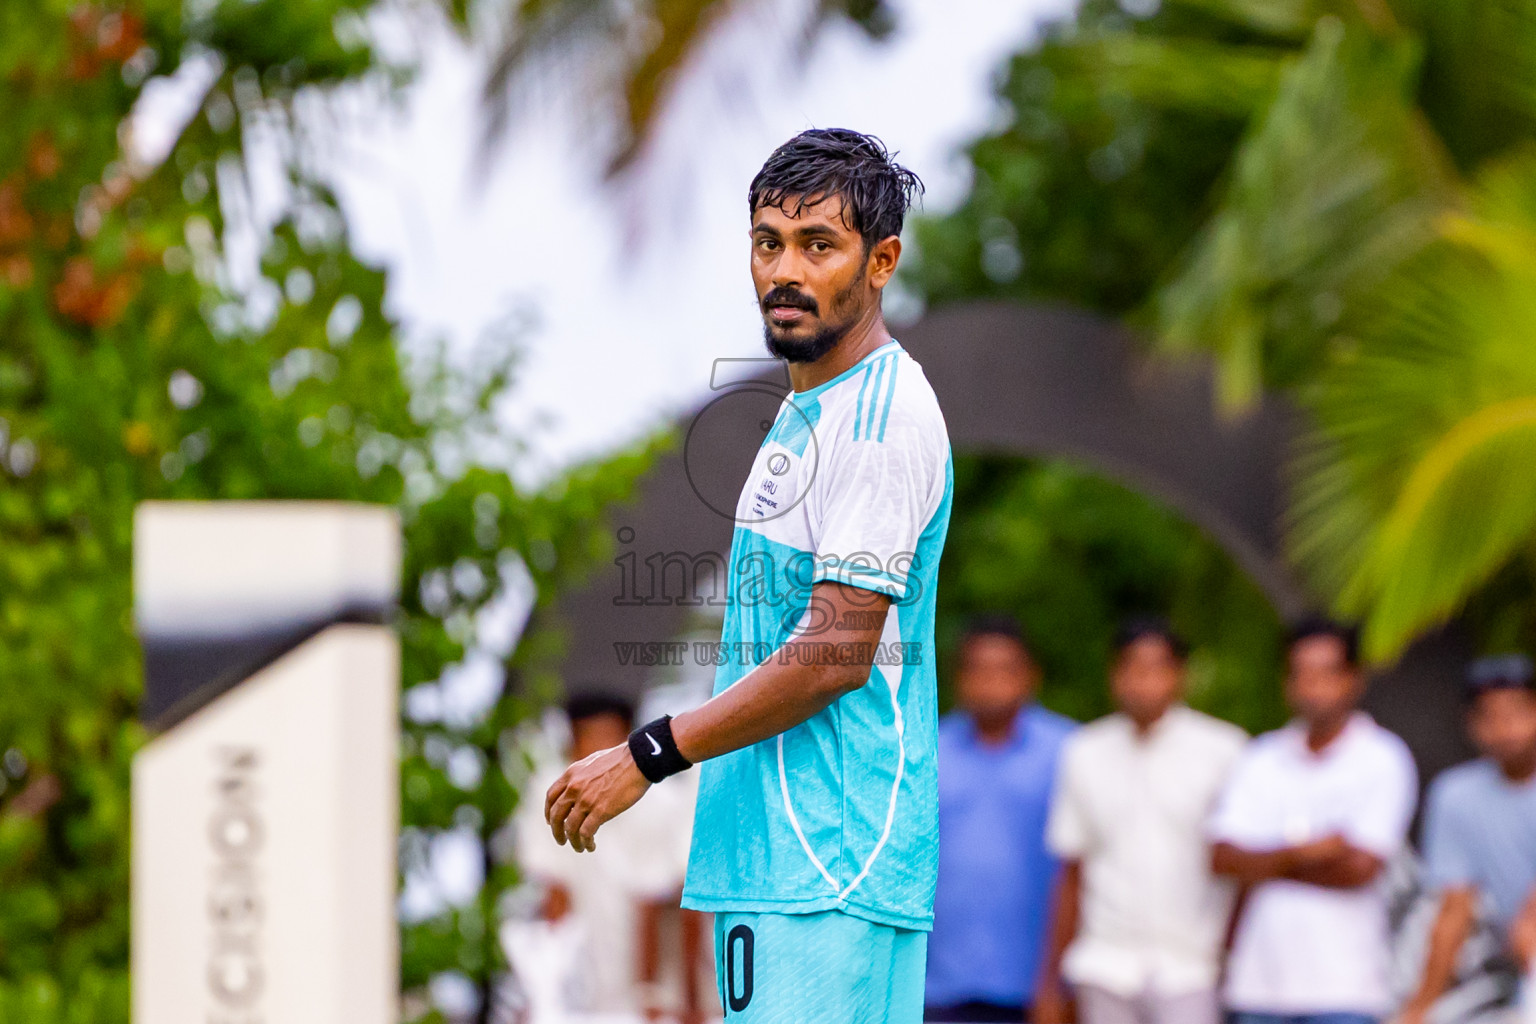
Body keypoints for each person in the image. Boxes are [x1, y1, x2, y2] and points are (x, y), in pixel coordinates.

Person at [542, 128, 951, 1024]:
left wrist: (650, 752)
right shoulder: (809, 408)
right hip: (801, 864)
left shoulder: (877, 416)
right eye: (768, 242)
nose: (784, 271)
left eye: (818, 245)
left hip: (820, 865)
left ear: (881, 261)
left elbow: (838, 650)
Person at [1034, 617, 1247, 1024]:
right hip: (1104, 965)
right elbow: (1072, 869)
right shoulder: (1085, 750)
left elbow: (1243, 871)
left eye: (1156, 668)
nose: (1143, 681)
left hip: (1192, 969)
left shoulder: (1225, 751)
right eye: (1132, 668)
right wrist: (1050, 983)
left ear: (1180, 675)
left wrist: (1230, 959)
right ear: (1114, 675)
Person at [1209, 618, 1419, 1024]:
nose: (1313, 687)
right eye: (1301, 674)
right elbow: (1222, 858)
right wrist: (1309, 850)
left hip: (1346, 988)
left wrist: (1267, 862)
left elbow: (1360, 868)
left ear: (1354, 679)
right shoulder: (1261, 757)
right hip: (1259, 985)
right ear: (1287, 682)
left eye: (1327, 673)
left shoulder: (1383, 757)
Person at [511, 694, 708, 1020]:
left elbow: (657, 899)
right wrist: (546, 991)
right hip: (584, 979)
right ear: (571, 745)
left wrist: (654, 994)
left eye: (609, 738)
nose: (597, 750)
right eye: (588, 738)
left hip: (653, 986)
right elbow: (555, 893)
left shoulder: (661, 801)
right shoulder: (551, 793)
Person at [925, 616, 1076, 1022]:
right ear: (959, 678)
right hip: (938, 985)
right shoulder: (926, 750)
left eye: (1005, 670)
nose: (991, 682)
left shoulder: (1070, 751)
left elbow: (1081, 869)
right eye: (978, 670)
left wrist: (1057, 986)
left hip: (1036, 985)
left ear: (1031, 676)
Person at [1398, 654, 1536, 1024]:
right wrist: (1419, 1008)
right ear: (1472, 724)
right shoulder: (1455, 794)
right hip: (1520, 973)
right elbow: (1454, 910)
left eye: (1517, 711)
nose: (1506, 727)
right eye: (1490, 715)